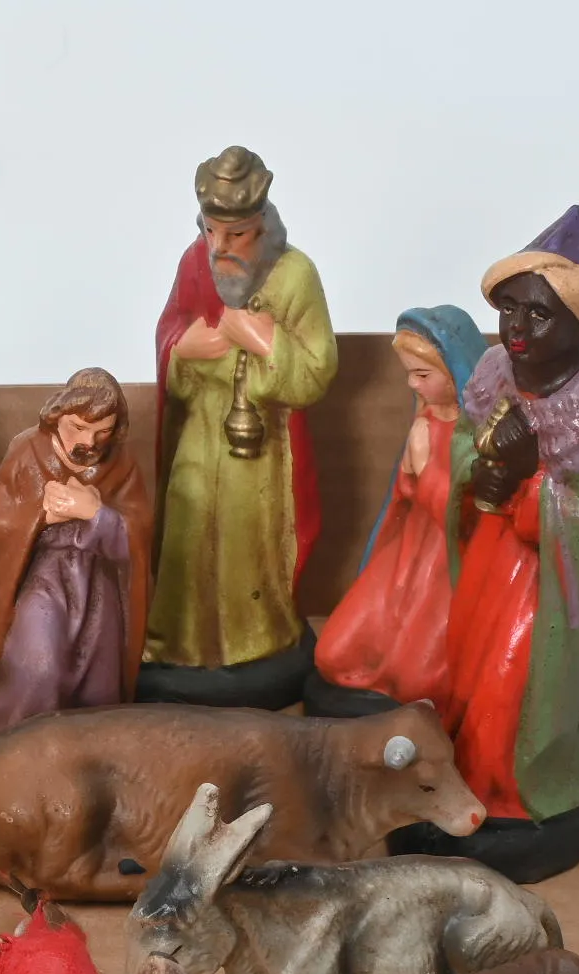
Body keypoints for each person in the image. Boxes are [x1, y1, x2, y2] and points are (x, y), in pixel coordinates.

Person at [428, 206, 579, 881]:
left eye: (539, 314)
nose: (516, 328)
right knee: (465, 665)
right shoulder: (495, 371)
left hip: (540, 584)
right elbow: (467, 452)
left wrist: (531, 483)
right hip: (488, 559)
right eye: (509, 309)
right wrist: (481, 470)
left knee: (511, 683)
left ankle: (513, 793)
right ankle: (460, 777)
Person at [146, 145, 338, 705]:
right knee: (186, 532)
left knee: (244, 543)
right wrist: (183, 348)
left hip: (260, 447)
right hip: (199, 430)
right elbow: (170, 329)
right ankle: (181, 643)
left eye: (235, 235)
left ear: (262, 225)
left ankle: (254, 643)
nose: (218, 247)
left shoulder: (296, 275)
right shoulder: (194, 263)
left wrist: (263, 339)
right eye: (210, 231)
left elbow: (317, 370)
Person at [0, 368, 155, 751]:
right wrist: (42, 516)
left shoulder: (122, 465)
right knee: (39, 663)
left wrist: (97, 515)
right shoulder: (28, 451)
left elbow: (138, 534)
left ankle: (82, 746)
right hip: (43, 576)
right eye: (78, 427)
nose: (89, 441)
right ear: (58, 415)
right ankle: (17, 741)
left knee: (99, 669)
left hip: (97, 582)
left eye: (103, 432)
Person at [308, 306, 488, 713]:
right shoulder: (423, 420)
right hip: (405, 557)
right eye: (408, 373)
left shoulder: (481, 438)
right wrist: (409, 474)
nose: (412, 384)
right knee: (332, 654)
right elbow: (401, 497)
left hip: (445, 572)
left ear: (456, 373)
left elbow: (465, 517)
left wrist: (424, 470)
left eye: (422, 375)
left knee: (417, 681)